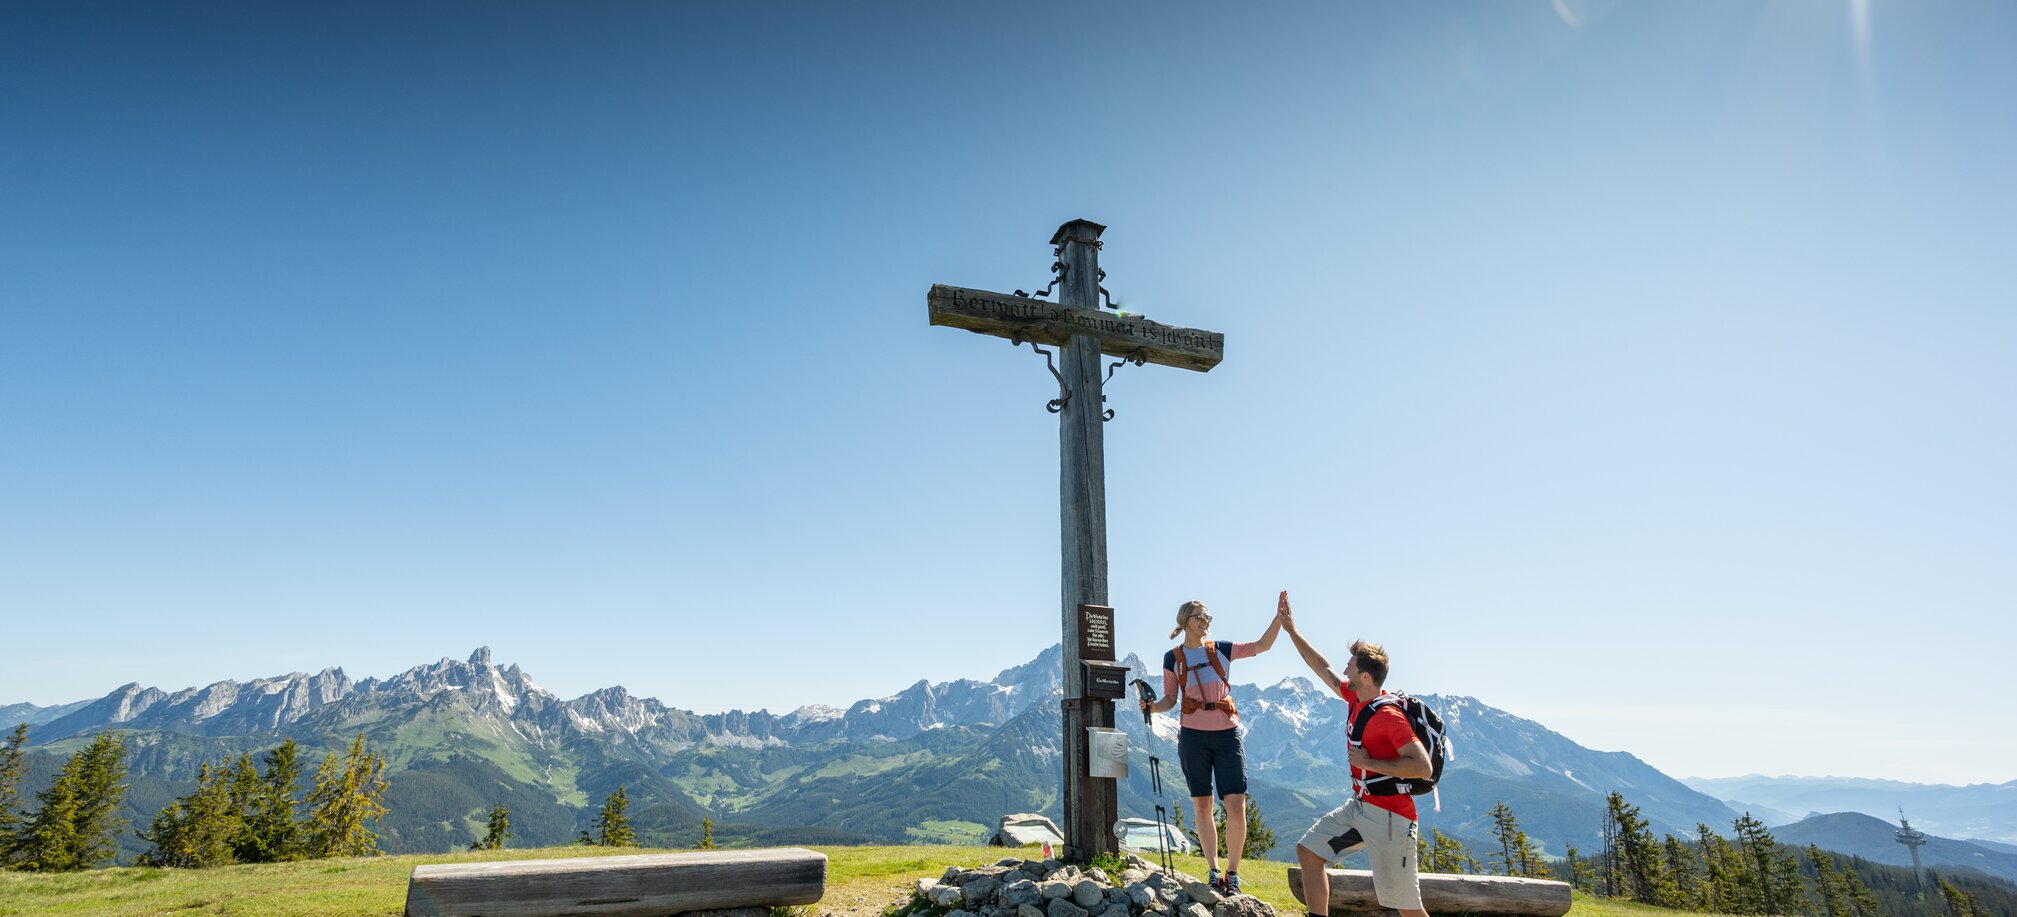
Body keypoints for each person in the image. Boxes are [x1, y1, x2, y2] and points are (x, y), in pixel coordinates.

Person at [1277, 591, 1433, 917]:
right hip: (1359, 809)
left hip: (1392, 820)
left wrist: (1370, 763)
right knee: (1308, 851)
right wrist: (1291, 631)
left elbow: (1422, 766)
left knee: (1407, 908)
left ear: (1365, 676)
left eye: (1351, 664)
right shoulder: (1354, 697)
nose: (1345, 667)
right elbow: (1321, 667)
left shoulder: (1390, 717)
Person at [1138, 598, 1281, 895]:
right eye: (1200, 616)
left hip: (1227, 735)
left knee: (1236, 806)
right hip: (1192, 736)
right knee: (1202, 804)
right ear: (1185, 620)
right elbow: (1170, 699)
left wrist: (1280, 619)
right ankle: (1214, 870)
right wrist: (1151, 708)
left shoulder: (1222, 650)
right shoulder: (1173, 658)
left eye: (1207, 616)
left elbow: (1262, 645)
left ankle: (1233, 872)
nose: (1206, 620)